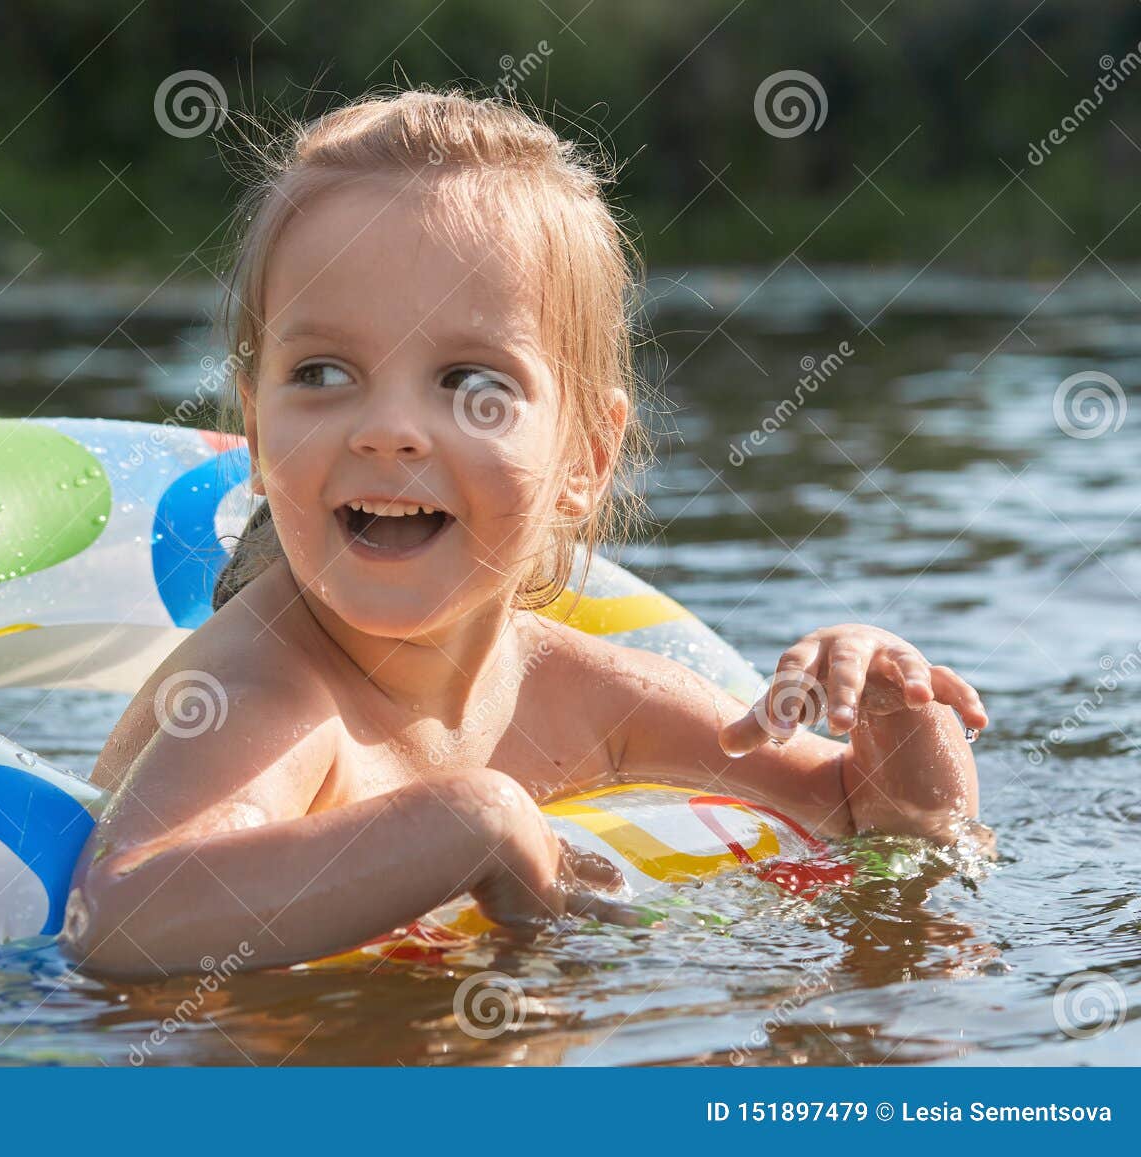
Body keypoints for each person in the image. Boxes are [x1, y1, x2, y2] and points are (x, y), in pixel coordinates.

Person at [60, 90, 988, 980]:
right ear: (260, 439)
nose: (389, 428)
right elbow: (122, 918)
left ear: (585, 458)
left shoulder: (581, 692)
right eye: (322, 371)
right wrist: (474, 819)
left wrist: (900, 714)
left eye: (472, 382)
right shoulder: (259, 693)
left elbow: (878, 822)